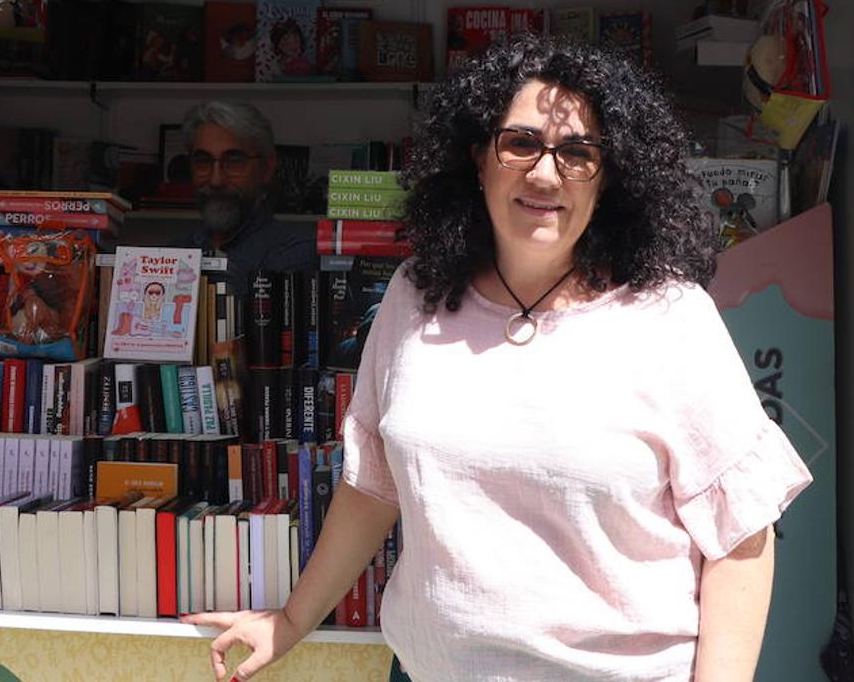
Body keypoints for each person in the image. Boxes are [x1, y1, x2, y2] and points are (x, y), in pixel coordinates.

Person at [182, 36, 813, 682]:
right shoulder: (414, 298)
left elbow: (741, 540)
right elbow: (372, 488)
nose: (545, 173)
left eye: (577, 153)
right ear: (477, 158)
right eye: (520, 144)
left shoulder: (669, 317)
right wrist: (289, 621)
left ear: (611, 176)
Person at [176, 101, 315, 297]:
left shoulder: (297, 254)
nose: (216, 180)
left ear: (266, 169)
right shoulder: (172, 255)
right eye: (203, 161)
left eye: (233, 161)